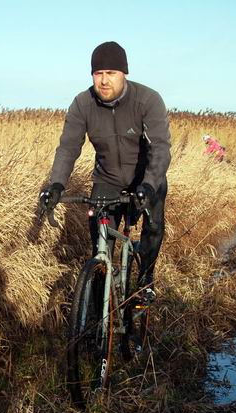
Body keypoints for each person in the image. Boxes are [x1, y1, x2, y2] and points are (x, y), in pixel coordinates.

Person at [40, 41, 171, 303]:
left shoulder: (148, 100)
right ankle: (100, 300)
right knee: (101, 243)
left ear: (124, 73)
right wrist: (57, 185)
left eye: (111, 73)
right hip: (107, 179)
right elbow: (67, 147)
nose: (104, 80)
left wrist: (148, 185)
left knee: (153, 226)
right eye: (98, 73)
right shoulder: (82, 103)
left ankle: (145, 278)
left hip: (146, 178)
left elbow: (160, 149)